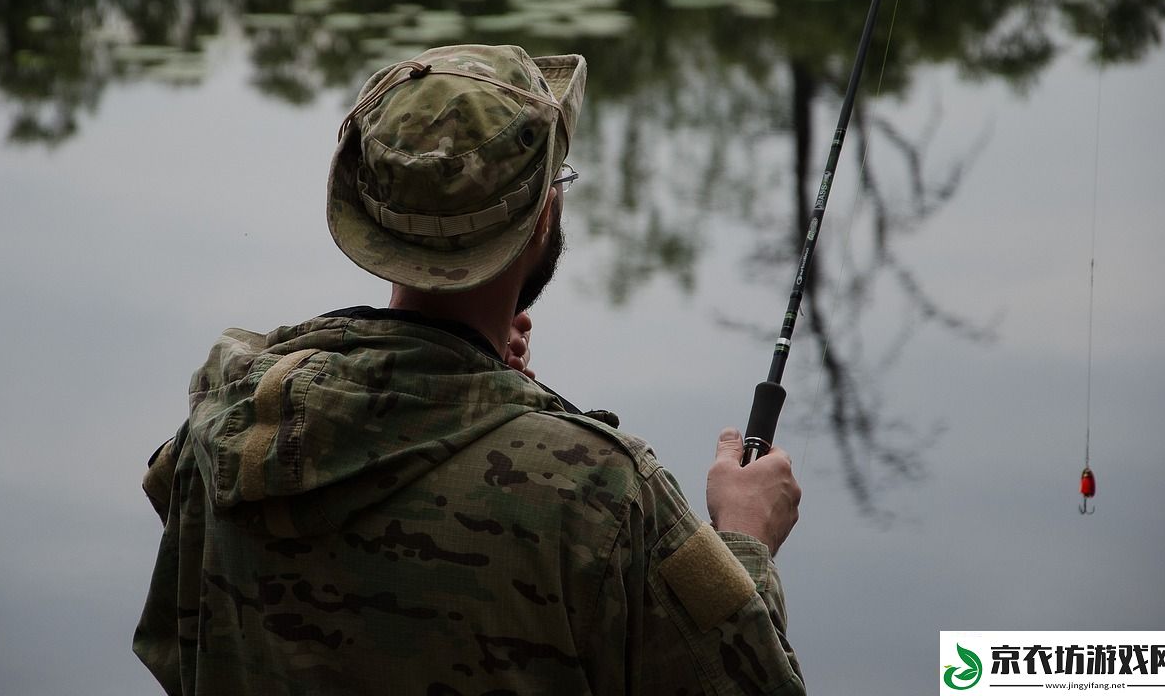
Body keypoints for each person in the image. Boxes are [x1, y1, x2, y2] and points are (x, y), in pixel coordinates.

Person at [134, 44, 805, 695]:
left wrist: (489, 387)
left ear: (372, 222)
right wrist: (745, 539)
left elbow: (175, 654)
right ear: (542, 218)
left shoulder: (223, 433)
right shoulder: (603, 494)